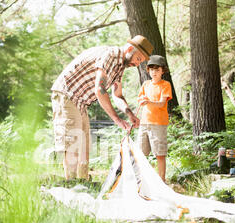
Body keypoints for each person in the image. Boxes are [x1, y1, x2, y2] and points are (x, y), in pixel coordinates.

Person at [51, 35, 154, 180]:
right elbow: (100, 90)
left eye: (140, 62)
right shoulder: (111, 55)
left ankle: (83, 183)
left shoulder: (120, 66)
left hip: (81, 101)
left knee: (84, 146)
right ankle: (72, 184)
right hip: (67, 94)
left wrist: (129, 114)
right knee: (73, 142)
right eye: (138, 59)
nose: (137, 64)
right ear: (130, 49)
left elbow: (117, 95)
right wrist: (117, 120)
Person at [136, 55, 173, 183]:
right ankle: (142, 181)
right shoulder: (146, 84)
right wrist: (143, 101)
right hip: (144, 123)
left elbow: (162, 103)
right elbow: (140, 99)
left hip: (159, 124)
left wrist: (148, 101)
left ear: (163, 71)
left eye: (157, 70)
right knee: (141, 154)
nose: (154, 72)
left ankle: (162, 181)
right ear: (148, 71)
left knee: (160, 154)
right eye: (152, 70)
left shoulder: (165, 85)